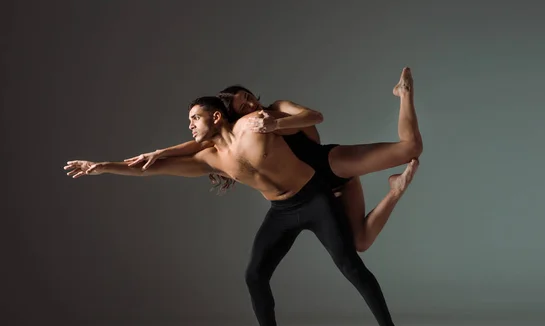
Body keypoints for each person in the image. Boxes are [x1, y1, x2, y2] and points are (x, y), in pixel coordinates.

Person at [64, 67, 423, 326]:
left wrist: (277, 122)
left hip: (314, 197)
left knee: (349, 262)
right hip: (281, 211)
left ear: (217, 117)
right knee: (254, 275)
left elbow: (310, 117)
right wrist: (104, 166)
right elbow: (152, 169)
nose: (189, 125)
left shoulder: (255, 123)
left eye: (195, 117)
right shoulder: (210, 158)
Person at [125, 68, 421, 252]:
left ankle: (403, 92)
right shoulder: (246, 132)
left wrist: (275, 125)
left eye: (249, 96)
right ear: (236, 117)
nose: (253, 103)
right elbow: (197, 145)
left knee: (410, 148)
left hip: (331, 164)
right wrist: (160, 153)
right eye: (244, 105)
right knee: (360, 243)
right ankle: (396, 190)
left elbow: (316, 116)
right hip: (319, 191)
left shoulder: (277, 108)